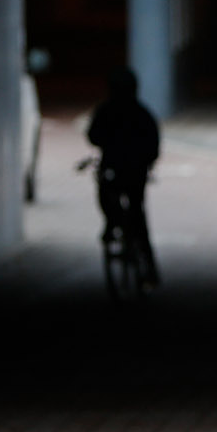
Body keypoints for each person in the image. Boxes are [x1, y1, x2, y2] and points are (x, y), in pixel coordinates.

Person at [87, 67, 161, 289]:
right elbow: (153, 145)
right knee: (138, 214)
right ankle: (149, 267)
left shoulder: (105, 111)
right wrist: (147, 161)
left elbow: (93, 136)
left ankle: (112, 224)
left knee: (106, 195)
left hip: (113, 168)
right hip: (136, 171)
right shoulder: (142, 113)